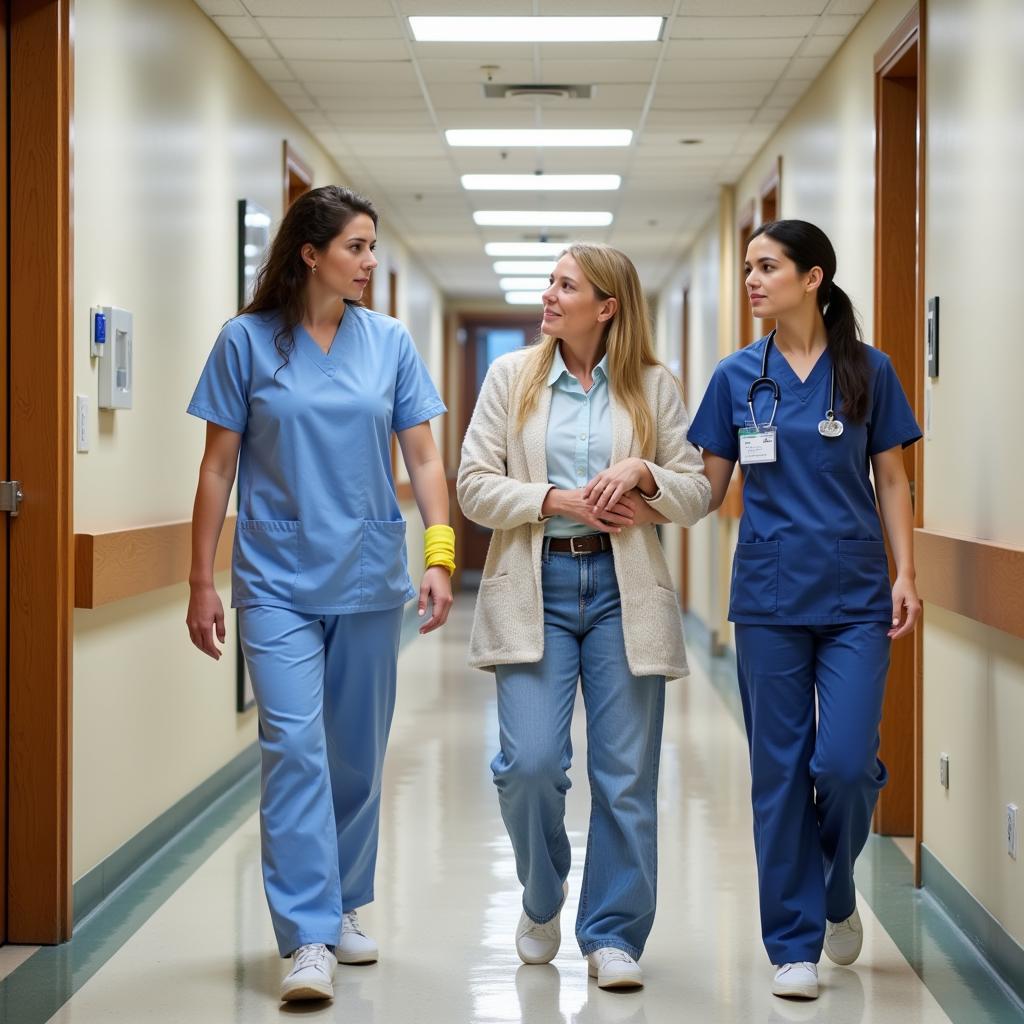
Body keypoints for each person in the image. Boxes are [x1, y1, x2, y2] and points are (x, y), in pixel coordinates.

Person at [185, 185, 454, 1003]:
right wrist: (202, 578)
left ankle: (343, 906)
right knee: (293, 751)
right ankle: (307, 935)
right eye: (358, 248)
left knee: (354, 758)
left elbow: (426, 459)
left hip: (371, 577)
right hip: (274, 581)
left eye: (373, 249)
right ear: (312, 252)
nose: (370, 263)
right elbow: (217, 468)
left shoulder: (390, 343)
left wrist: (439, 555)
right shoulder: (246, 342)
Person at [457, 243, 710, 990]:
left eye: (565, 285)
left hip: (622, 589)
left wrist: (646, 474)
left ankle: (613, 935)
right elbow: (474, 485)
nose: (549, 295)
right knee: (528, 765)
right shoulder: (511, 379)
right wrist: (557, 500)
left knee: (626, 776)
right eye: (550, 283)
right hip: (535, 580)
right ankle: (542, 897)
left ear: (607, 307)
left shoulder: (653, 387)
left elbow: (695, 493)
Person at [687, 219, 921, 1001]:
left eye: (767, 267)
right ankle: (794, 944)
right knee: (779, 775)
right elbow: (708, 488)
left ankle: (834, 888)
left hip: (856, 593)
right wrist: (646, 484)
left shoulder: (869, 370)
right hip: (768, 597)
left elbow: (891, 479)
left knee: (847, 766)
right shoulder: (734, 379)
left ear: (812, 277)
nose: (753, 279)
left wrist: (906, 573)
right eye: (748, 267)